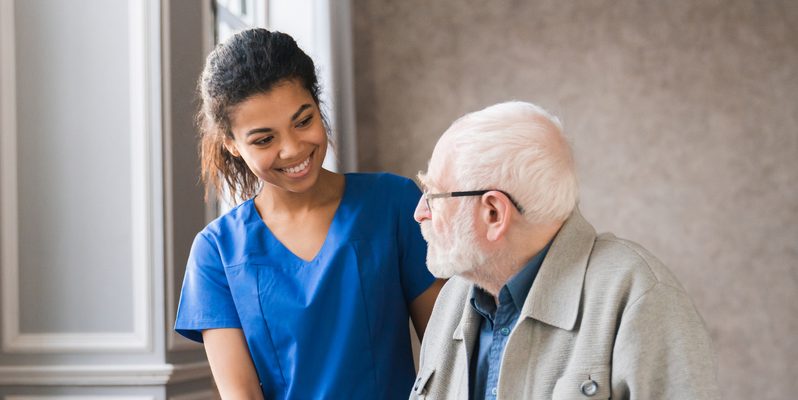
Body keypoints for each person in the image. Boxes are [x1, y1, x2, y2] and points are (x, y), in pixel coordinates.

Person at [174, 28, 442, 399]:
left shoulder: (394, 203)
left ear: (318, 106)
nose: (293, 149)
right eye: (264, 139)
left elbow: (446, 358)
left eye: (303, 121)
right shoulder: (216, 251)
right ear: (231, 145)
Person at [409, 101, 720, 399]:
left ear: (494, 213)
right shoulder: (453, 299)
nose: (420, 212)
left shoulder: (641, 297)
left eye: (434, 195)